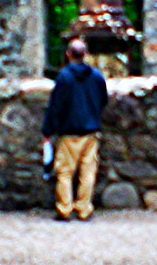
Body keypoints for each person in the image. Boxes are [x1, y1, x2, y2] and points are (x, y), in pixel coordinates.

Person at [42, 38, 108, 221]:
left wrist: (48, 131)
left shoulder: (64, 77)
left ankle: (64, 208)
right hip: (91, 131)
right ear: (86, 54)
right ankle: (84, 208)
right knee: (88, 172)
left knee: (65, 172)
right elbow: (103, 100)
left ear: (68, 54)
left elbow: (55, 107)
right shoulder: (96, 77)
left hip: (69, 132)